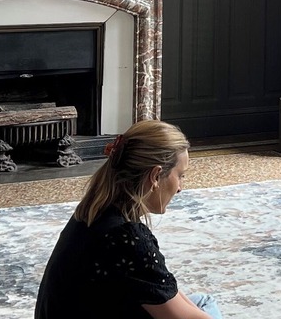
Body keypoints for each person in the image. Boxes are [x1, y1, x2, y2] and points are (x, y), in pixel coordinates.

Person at [35, 120, 222, 319]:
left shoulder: (95, 210)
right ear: (156, 176)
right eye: (180, 175)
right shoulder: (126, 238)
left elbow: (164, 287)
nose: (179, 188)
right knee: (204, 307)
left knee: (202, 301)